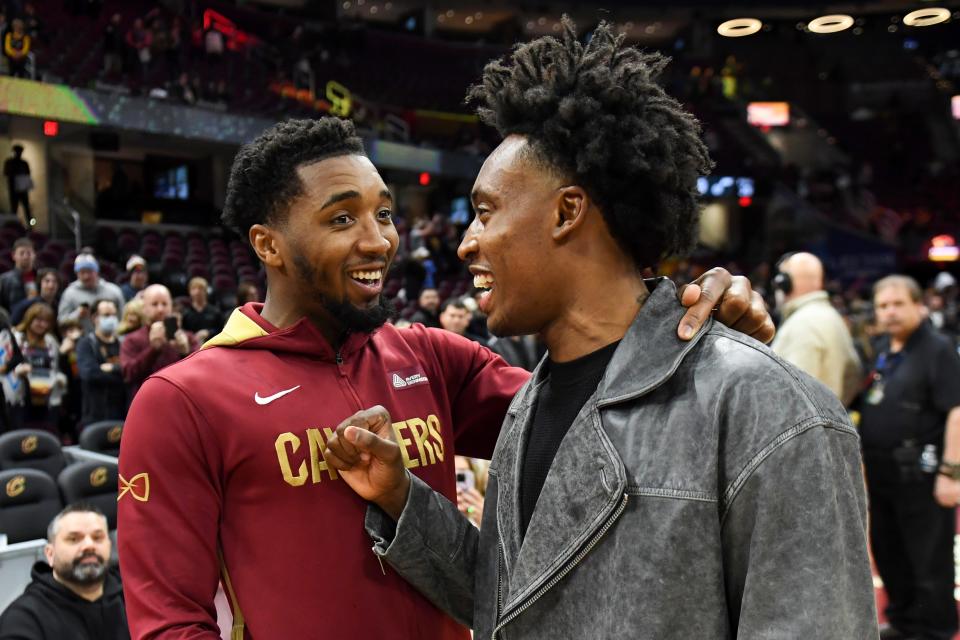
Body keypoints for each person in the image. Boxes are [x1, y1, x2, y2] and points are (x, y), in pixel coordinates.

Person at [324, 19, 876, 640]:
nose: (466, 244)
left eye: (484, 212)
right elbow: (517, 603)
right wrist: (404, 501)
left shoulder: (768, 407)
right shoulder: (528, 403)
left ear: (567, 211)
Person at [117, 117, 771, 640]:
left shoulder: (431, 357)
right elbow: (168, 623)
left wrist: (683, 329)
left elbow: (610, 419)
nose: (378, 240)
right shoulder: (183, 400)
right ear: (269, 245)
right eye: (342, 219)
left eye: (384, 213)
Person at [859, 275, 960, 640]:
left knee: (928, 560)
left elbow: (957, 411)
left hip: (924, 475)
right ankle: (903, 622)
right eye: (883, 305)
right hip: (886, 476)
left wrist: (951, 473)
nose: (890, 312)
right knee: (891, 554)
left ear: (919, 304)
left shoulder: (938, 349)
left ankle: (934, 629)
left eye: (898, 304)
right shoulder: (885, 348)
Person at [0, 504, 130, 640]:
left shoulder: (131, 597)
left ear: (110, 546)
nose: (89, 545)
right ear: (50, 554)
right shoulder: (23, 618)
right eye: (74, 539)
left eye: (97, 538)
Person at [770, 252, 862, 405]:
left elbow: (792, 397)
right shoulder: (830, 316)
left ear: (784, 283)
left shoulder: (803, 323)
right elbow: (853, 375)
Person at [119, 284, 197, 397]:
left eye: (164, 304)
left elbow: (199, 376)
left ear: (171, 307)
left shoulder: (188, 338)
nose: (160, 309)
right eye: (154, 304)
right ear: (144, 309)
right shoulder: (132, 340)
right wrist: (153, 350)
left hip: (178, 403)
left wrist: (185, 353)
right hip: (145, 404)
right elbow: (128, 375)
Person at [3, 302, 66, 434]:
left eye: (46, 321)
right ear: (29, 318)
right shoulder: (15, 338)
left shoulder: (51, 341)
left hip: (46, 398)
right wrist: (17, 371)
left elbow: (56, 368)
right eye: (38, 320)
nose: (42, 324)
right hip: (20, 398)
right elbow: (3, 367)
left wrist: (59, 379)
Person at [76, 299, 126, 426]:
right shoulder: (86, 343)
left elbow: (129, 372)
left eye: (114, 315)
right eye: (106, 315)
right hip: (94, 414)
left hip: (121, 412)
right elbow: (89, 373)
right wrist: (119, 372)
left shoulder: (123, 343)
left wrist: (112, 368)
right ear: (94, 318)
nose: (111, 319)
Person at [57, 254, 125, 335]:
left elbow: (123, 319)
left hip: (111, 339)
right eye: (82, 272)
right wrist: (77, 314)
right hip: (81, 341)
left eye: (89, 271)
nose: (86, 276)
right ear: (77, 274)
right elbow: (61, 322)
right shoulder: (69, 293)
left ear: (96, 271)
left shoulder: (113, 291)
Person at [0, 237, 37, 314]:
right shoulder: (4, 279)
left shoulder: (41, 278)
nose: (26, 257)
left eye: (29, 253)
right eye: (22, 253)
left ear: (34, 255)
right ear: (13, 256)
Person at [180, 276, 222, 343]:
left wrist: (208, 332)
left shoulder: (215, 312)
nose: (197, 292)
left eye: (200, 288)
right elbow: (183, 332)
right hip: (192, 347)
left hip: (212, 345)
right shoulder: (185, 313)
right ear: (189, 291)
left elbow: (221, 330)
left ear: (206, 291)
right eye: (194, 288)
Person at [3, 144, 32, 227]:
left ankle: (30, 226)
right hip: (14, 190)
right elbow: (6, 173)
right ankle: (13, 227)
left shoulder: (24, 163)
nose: (19, 153)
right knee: (14, 210)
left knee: (27, 209)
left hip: (22, 190)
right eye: (17, 152)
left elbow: (28, 174)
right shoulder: (10, 162)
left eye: (20, 152)